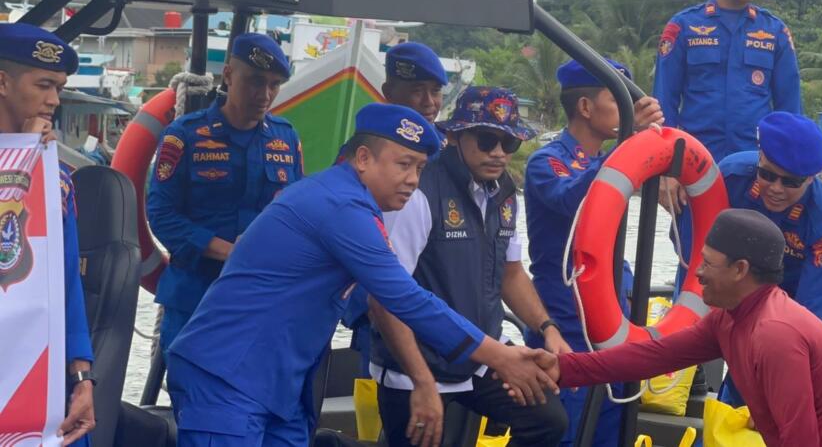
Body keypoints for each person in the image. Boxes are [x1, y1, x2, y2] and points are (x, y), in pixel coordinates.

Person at [166, 103, 557, 447]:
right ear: (364, 158)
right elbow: (405, 297)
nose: (413, 179)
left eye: (420, 168)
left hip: (279, 381)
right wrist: (500, 357)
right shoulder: (341, 207)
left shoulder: (349, 202)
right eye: (403, 164)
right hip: (229, 374)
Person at [532, 209, 822, 447]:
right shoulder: (729, 317)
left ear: (740, 269)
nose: (698, 273)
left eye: (707, 263)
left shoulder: (775, 334)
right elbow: (652, 357)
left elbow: (799, 439)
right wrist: (563, 368)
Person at [369, 87, 568, 447]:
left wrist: (547, 327)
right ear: (455, 136)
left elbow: (512, 273)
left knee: (547, 419)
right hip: (419, 362)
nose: (498, 152)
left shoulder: (504, 193)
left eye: (509, 143)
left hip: (482, 352)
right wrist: (422, 382)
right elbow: (384, 298)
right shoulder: (420, 192)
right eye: (487, 140)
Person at [523, 59, 663, 447]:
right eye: (617, 101)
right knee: (564, 434)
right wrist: (627, 146)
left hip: (611, 323)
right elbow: (573, 201)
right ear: (585, 107)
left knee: (611, 433)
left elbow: (609, 244)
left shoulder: (610, 161)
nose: (626, 111)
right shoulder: (546, 162)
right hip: (564, 324)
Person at [654, 0, 802, 288]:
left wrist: (790, 176)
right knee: (695, 265)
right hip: (697, 171)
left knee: (756, 268)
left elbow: (790, 113)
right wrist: (667, 172)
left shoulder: (774, 33)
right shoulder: (684, 28)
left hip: (758, 175)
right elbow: (664, 106)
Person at [147, 33, 304, 356]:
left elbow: (298, 212)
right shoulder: (185, 135)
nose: (265, 95)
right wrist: (227, 251)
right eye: (255, 81)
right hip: (195, 297)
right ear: (229, 75)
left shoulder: (286, 138)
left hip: (261, 299)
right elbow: (161, 214)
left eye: (274, 85)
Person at [714, 112, 822, 407]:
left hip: (807, 285)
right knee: (740, 366)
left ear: (811, 178)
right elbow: (695, 246)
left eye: (790, 182)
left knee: (802, 359)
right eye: (767, 175)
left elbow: (808, 311)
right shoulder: (730, 176)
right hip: (750, 276)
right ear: (759, 158)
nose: (776, 189)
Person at [0, 23, 95, 445]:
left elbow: (66, 285)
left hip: (36, 374)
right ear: (2, 82)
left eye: (59, 87)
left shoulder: (55, 178)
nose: (55, 99)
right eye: (43, 85)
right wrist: (19, 162)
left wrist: (82, 378)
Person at [342, 41, 450, 375]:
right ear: (388, 92)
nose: (429, 102)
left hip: (430, 302)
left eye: (436, 91)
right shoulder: (365, 155)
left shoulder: (445, 152)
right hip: (377, 302)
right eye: (418, 91)